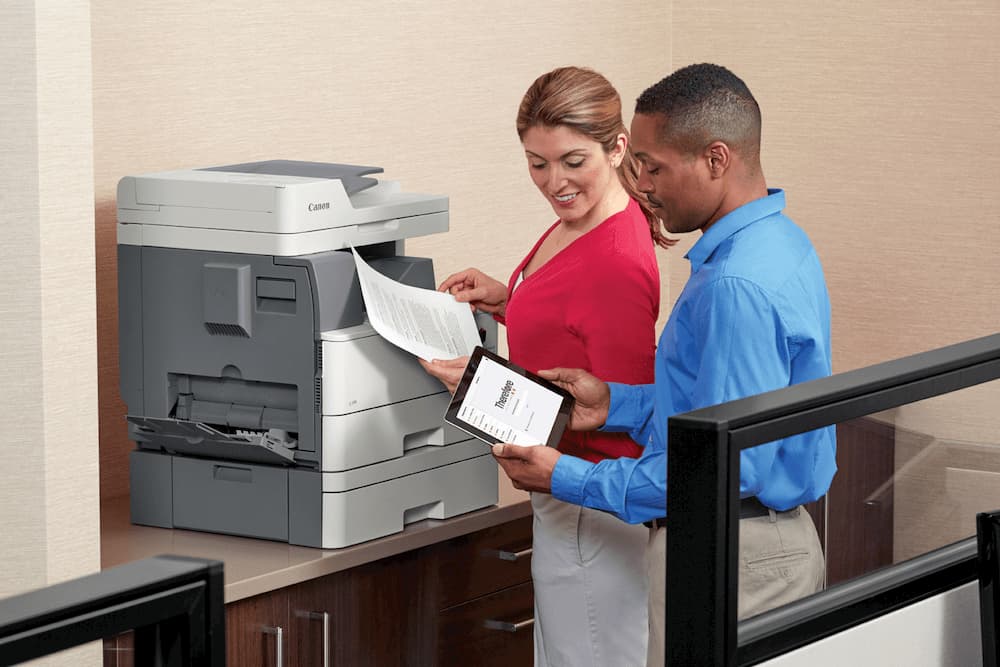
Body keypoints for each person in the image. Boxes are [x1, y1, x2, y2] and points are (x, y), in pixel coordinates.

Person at [491, 63, 837, 667]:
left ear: (716, 159)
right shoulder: (778, 244)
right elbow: (723, 411)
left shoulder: (734, 286)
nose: (643, 185)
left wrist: (566, 477)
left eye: (654, 167)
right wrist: (614, 404)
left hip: (733, 545)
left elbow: (722, 467)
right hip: (755, 538)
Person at [421, 66, 675, 667]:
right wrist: (509, 300)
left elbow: (612, 414)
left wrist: (484, 386)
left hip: (589, 500)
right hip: (566, 495)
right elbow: (576, 332)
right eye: (538, 163)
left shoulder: (615, 257)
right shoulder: (579, 220)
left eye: (572, 161)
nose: (554, 181)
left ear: (617, 148)